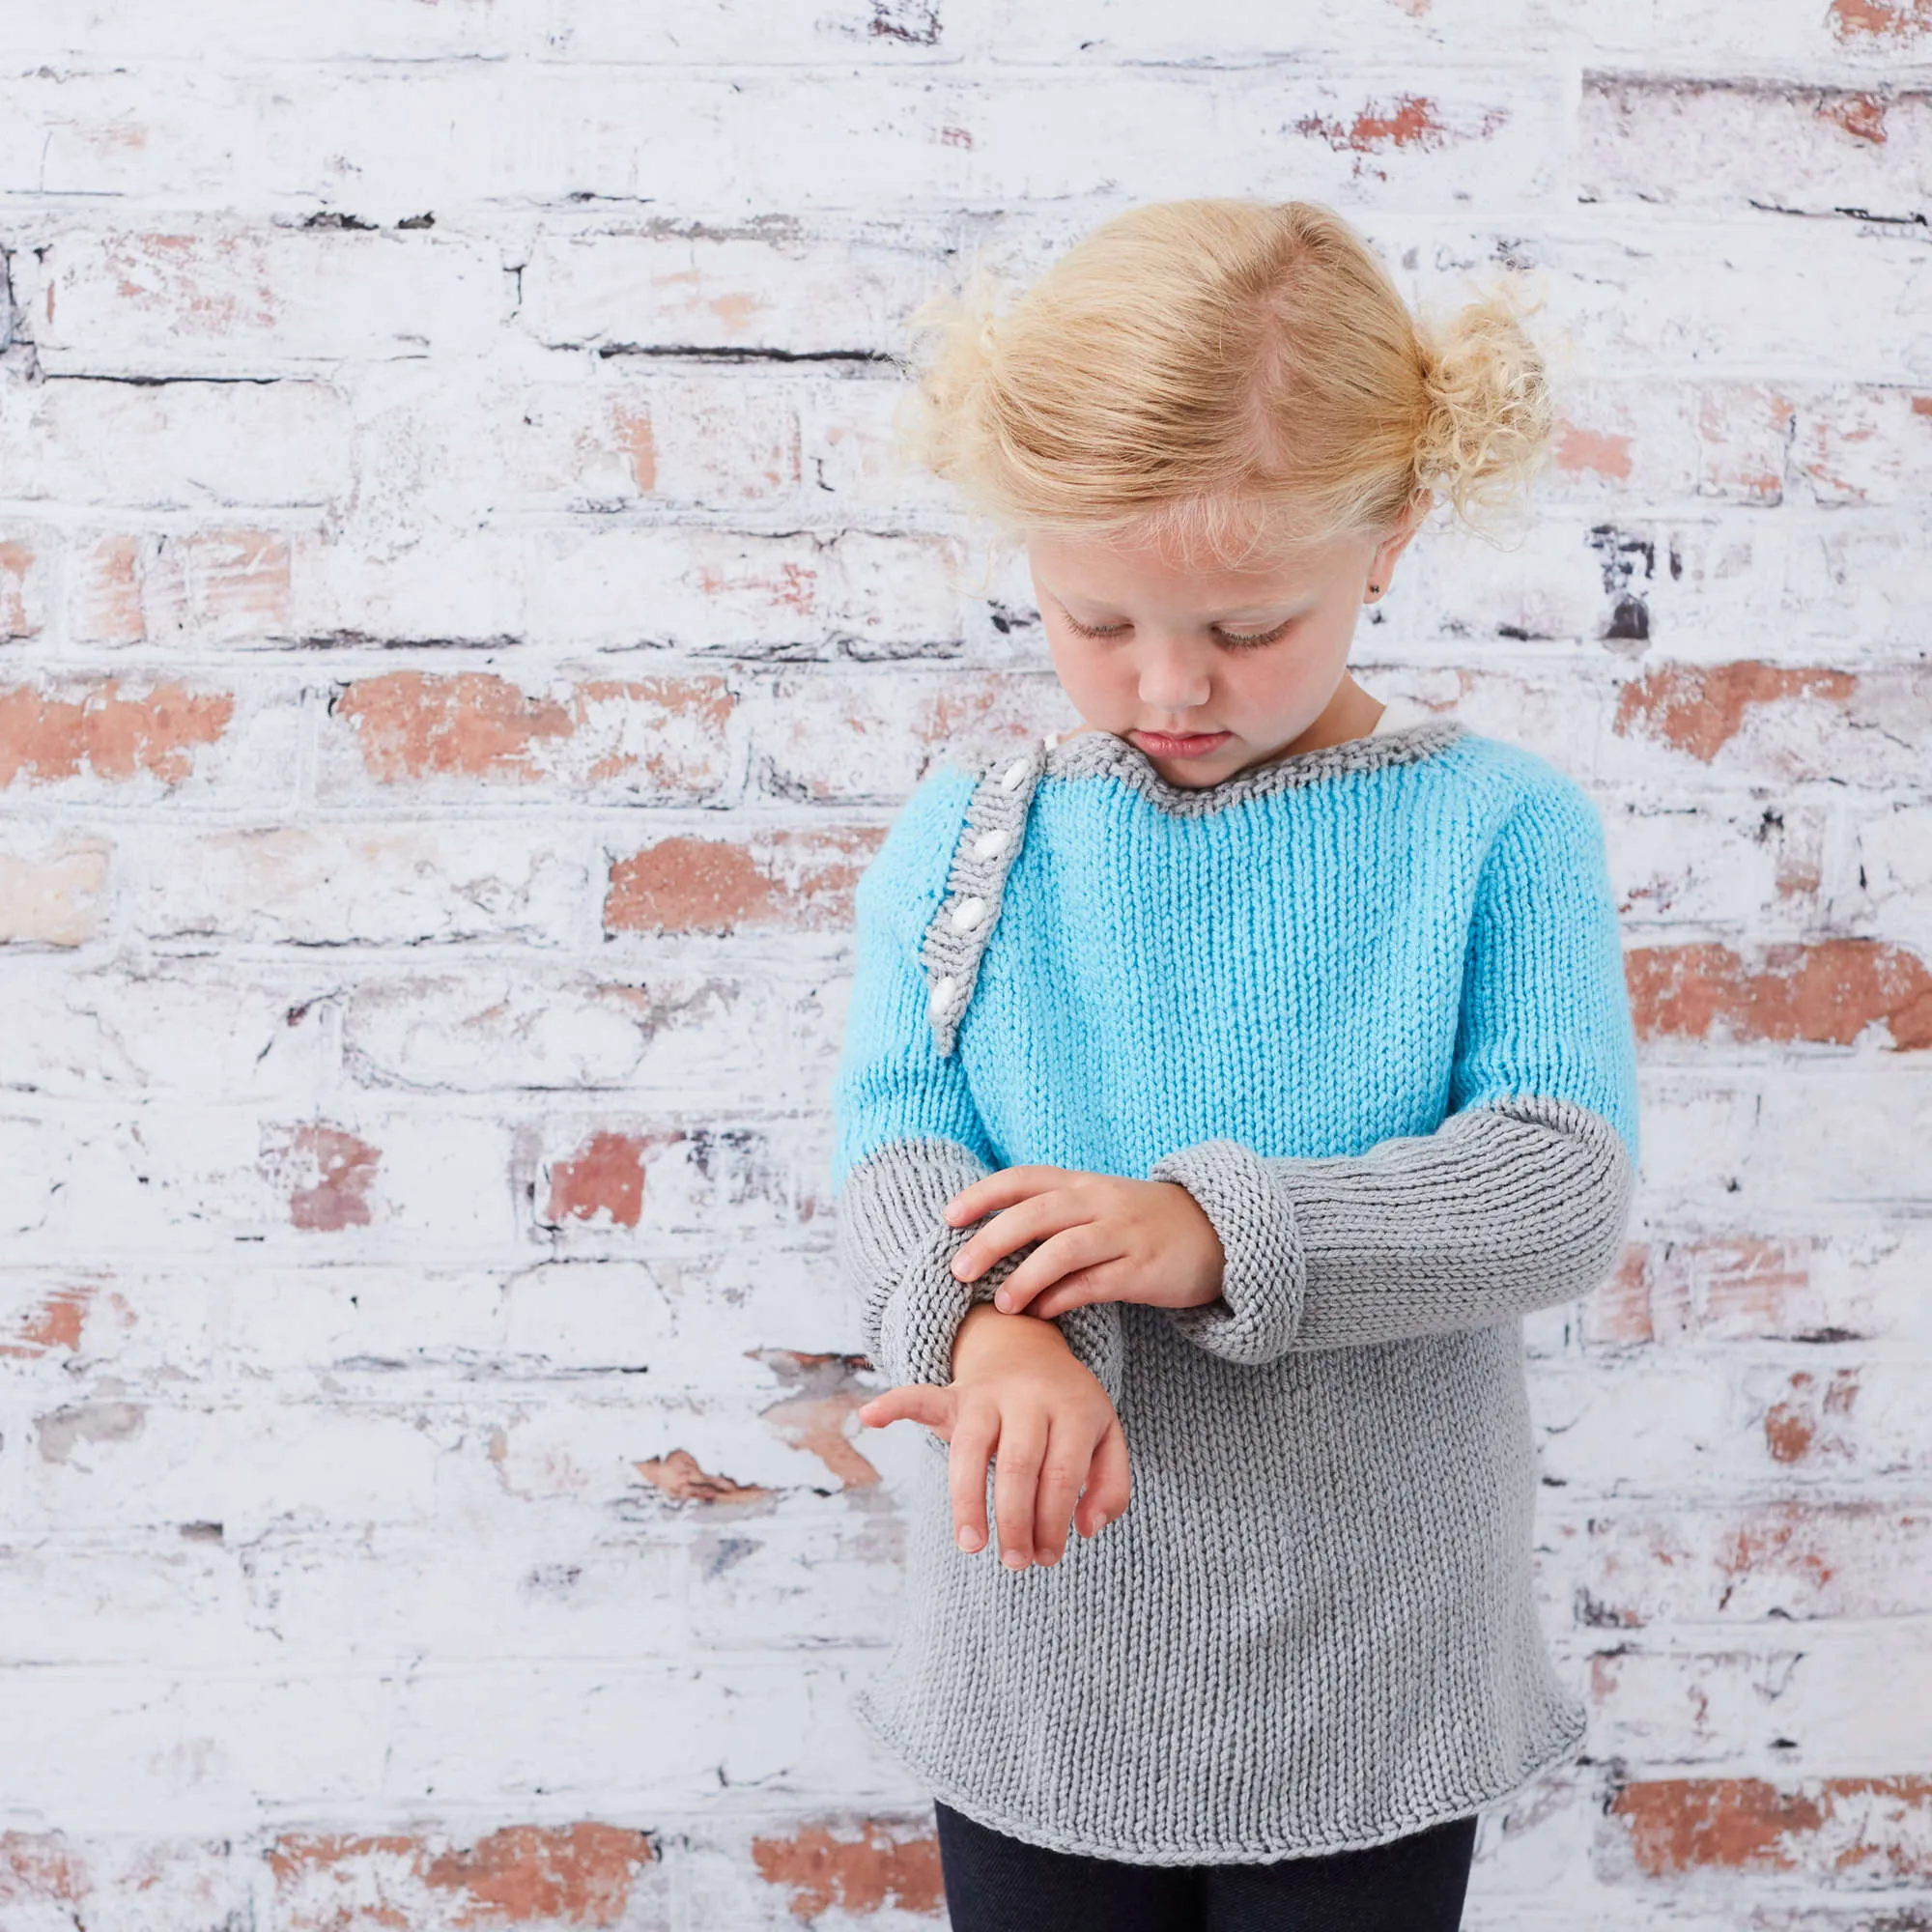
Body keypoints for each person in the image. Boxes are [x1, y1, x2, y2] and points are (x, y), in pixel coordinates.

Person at [828, 197, 1640, 1932]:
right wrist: (989, 1328)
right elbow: (900, 1136)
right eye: (1091, 617)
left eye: (1249, 627)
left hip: (1368, 1659)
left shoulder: (1497, 829)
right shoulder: (976, 834)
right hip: (1043, 1642)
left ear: (1389, 540)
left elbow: (1561, 1182)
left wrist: (1211, 1230)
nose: (1166, 684)